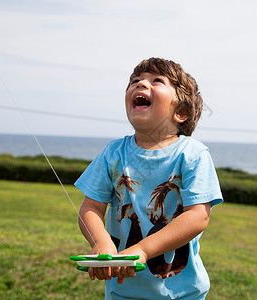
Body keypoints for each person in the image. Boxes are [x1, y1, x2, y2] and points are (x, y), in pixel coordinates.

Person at [75, 57, 223, 299]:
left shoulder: (193, 154)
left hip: (182, 293)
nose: (141, 85)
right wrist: (101, 242)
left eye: (157, 81)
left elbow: (198, 217)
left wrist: (142, 250)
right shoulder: (113, 153)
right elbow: (90, 207)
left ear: (181, 112)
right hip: (122, 291)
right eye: (135, 81)